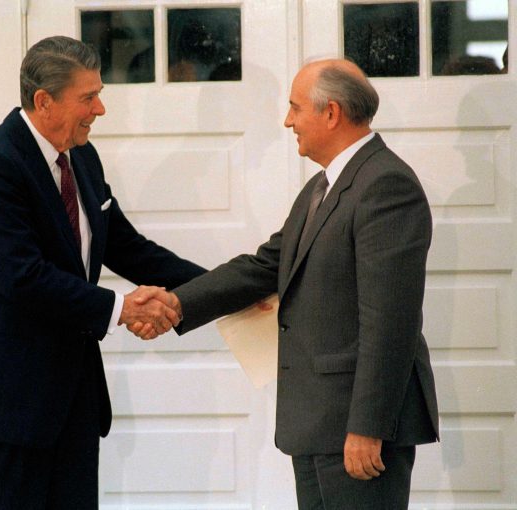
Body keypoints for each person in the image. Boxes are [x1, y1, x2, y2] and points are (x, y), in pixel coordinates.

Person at [135, 59, 439, 509]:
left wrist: (368, 426)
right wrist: (178, 303)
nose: (287, 121)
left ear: (331, 113)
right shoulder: (324, 186)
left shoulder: (385, 185)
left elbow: (391, 321)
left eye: (296, 108)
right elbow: (265, 266)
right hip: (318, 423)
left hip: (356, 429)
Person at [0, 35, 205, 509]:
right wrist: (124, 309)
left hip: (73, 402)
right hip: (6, 405)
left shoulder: (82, 156)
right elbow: (23, 277)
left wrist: (219, 288)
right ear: (44, 101)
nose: (100, 109)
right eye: (88, 97)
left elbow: (126, 247)